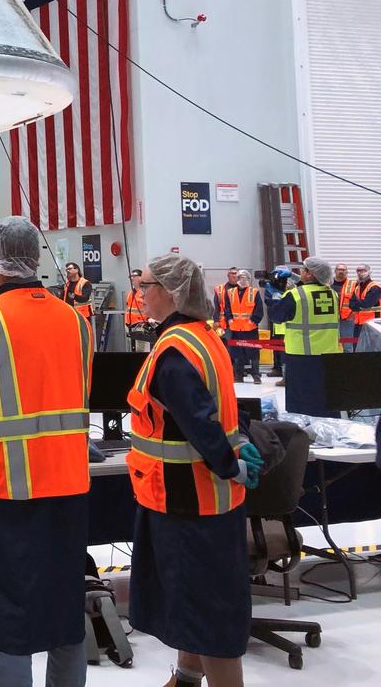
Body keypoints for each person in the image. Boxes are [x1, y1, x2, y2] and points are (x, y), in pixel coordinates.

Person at [0, 217, 93, 687]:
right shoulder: (74, 319)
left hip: (2, 484)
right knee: (64, 602)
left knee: (6, 607)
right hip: (68, 481)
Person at [126, 254, 262, 687]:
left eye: (145, 285)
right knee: (195, 600)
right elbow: (220, 411)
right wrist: (235, 451)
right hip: (205, 497)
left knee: (208, 611)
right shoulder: (204, 336)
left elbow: (201, 421)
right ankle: (185, 677)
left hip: (186, 500)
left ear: (170, 291)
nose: (140, 294)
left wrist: (227, 460)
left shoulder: (174, 351)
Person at [266, 256, 339, 414]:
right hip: (328, 354)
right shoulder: (333, 294)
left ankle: (303, 430)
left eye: (304, 270)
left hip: (301, 355)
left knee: (301, 399)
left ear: (310, 274)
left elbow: (276, 316)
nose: (300, 272)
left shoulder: (296, 295)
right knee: (325, 396)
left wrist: (276, 294)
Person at [223, 270, 264, 384]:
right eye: (240, 277)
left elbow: (259, 310)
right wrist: (229, 319)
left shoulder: (254, 292)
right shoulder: (230, 292)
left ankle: (256, 375)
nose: (243, 280)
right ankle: (238, 375)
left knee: (254, 352)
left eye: (245, 278)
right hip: (235, 328)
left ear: (249, 279)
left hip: (250, 329)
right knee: (237, 353)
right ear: (237, 279)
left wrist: (253, 321)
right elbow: (227, 308)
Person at [347, 264, 381, 343]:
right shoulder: (357, 287)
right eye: (358, 271)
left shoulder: (375, 287)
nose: (359, 273)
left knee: (371, 349)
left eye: (362, 270)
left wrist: (357, 304)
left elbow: (366, 304)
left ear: (369, 272)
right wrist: (358, 304)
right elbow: (351, 305)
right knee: (357, 347)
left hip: (372, 324)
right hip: (358, 323)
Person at [332, 263, 354, 347]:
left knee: (347, 344)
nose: (341, 271)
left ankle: (348, 360)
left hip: (347, 319)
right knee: (332, 343)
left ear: (347, 272)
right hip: (330, 319)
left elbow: (358, 301)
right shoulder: (327, 284)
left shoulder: (353, 284)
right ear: (335, 271)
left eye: (343, 270)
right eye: (339, 269)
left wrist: (353, 313)